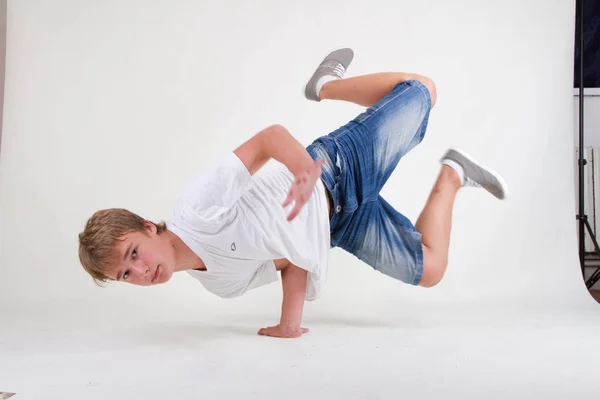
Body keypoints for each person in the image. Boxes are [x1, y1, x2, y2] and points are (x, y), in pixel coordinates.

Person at [78, 48, 507, 338]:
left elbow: (269, 138)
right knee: (430, 269)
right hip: (339, 226)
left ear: (148, 228)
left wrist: (304, 172)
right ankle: (452, 174)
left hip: (333, 171)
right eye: (125, 275)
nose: (139, 272)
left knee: (423, 91)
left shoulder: (197, 207)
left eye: (133, 254)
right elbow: (290, 258)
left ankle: (325, 86)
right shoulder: (219, 286)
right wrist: (289, 324)